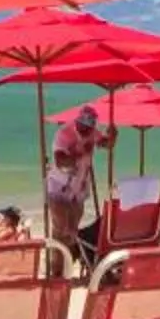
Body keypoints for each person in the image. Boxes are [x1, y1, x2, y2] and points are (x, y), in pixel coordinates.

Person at [44, 105, 111, 250]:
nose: (88, 132)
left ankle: (67, 263)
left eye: (90, 129)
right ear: (78, 123)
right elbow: (60, 162)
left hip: (78, 190)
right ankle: (56, 267)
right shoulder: (64, 134)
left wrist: (112, 136)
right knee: (61, 230)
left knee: (72, 232)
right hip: (59, 189)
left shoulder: (92, 133)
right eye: (85, 128)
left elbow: (105, 144)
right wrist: (80, 153)